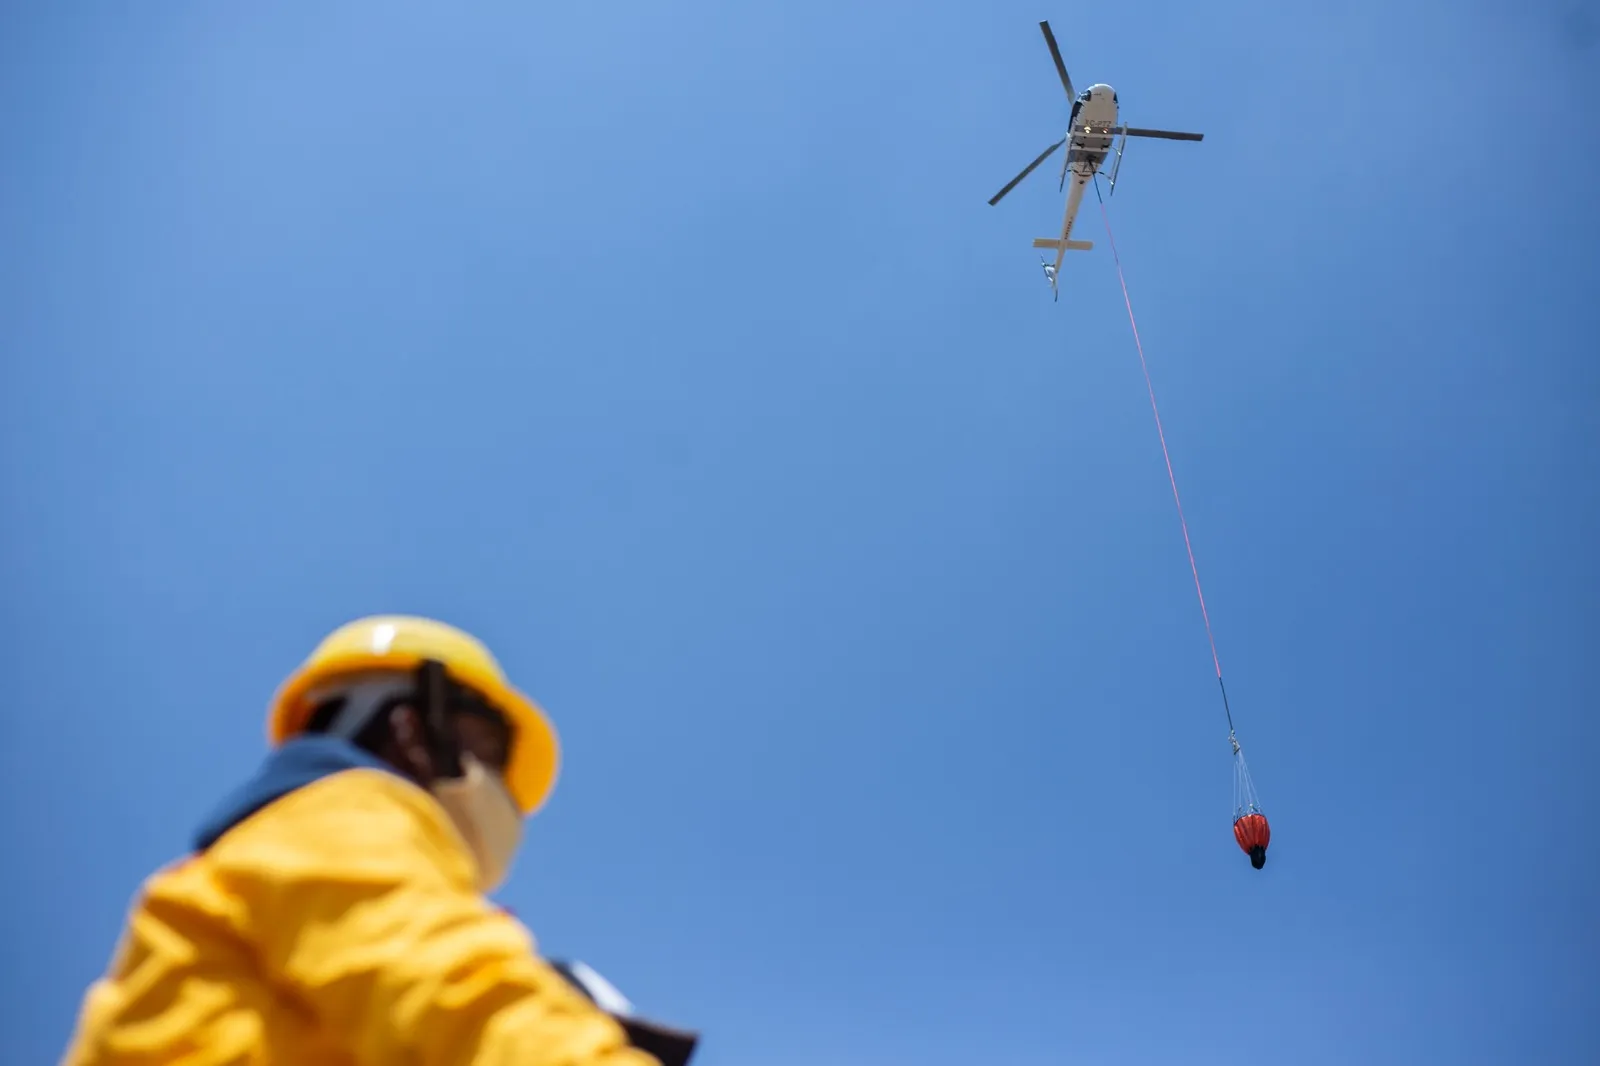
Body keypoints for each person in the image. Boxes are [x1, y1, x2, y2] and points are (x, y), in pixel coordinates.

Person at [61, 614, 696, 1066]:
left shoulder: (274, 860)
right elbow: (460, 996)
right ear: (413, 732)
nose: (500, 789)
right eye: (484, 748)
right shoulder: (343, 813)